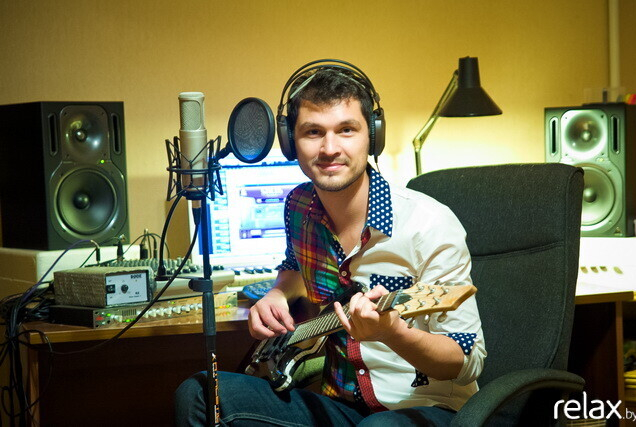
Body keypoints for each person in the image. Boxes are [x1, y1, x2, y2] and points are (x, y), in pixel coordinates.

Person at [175, 59, 486, 426]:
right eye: (313, 132)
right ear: (290, 143)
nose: (329, 148)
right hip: (339, 404)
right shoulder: (299, 206)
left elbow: (466, 362)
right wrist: (277, 293)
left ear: (373, 136)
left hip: (425, 406)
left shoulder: (429, 224)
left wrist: (393, 332)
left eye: (346, 130)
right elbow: (294, 265)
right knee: (199, 393)